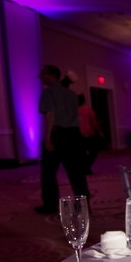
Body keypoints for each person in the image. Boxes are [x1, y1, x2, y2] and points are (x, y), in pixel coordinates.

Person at [36, 66, 89, 214]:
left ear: (52, 75)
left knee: (48, 172)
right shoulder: (72, 94)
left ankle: (50, 205)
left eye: (42, 73)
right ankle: (84, 207)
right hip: (74, 134)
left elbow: (51, 115)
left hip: (58, 133)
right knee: (76, 173)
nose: (39, 76)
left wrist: (48, 138)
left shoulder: (48, 93)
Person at [77, 95, 103, 174]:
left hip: (78, 134)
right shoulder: (88, 110)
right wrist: (99, 131)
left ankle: (84, 167)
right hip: (89, 133)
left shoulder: (74, 111)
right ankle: (86, 167)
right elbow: (94, 122)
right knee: (93, 152)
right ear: (84, 101)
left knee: (82, 152)